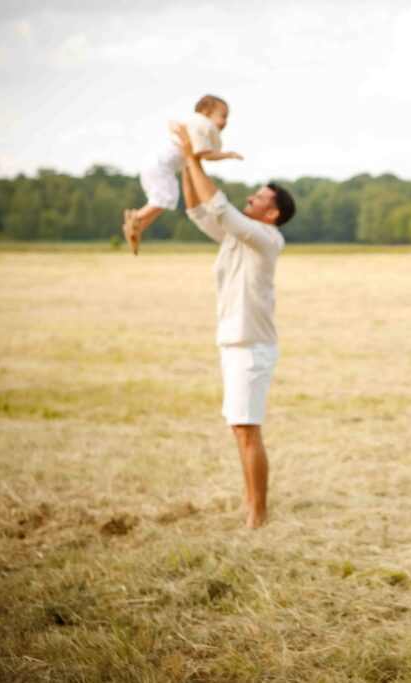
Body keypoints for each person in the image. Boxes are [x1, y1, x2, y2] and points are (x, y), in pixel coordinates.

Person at [174, 122, 296, 530]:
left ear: (272, 212)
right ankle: (249, 502)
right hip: (232, 345)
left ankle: (258, 515)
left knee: (247, 431)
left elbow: (220, 205)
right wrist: (186, 163)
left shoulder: (266, 238)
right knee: (239, 429)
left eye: (259, 197)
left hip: (252, 349)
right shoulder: (237, 237)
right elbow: (197, 208)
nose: (251, 197)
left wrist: (193, 156)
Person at [122, 94, 244, 255]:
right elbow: (206, 155)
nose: (225, 122)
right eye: (223, 116)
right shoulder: (203, 125)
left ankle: (137, 228)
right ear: (207, 112)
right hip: (161, 166)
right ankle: (136, 217)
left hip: (152, 162)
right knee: (166, 198)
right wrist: (229, 154)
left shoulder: (191, 124)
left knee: (160, 201)